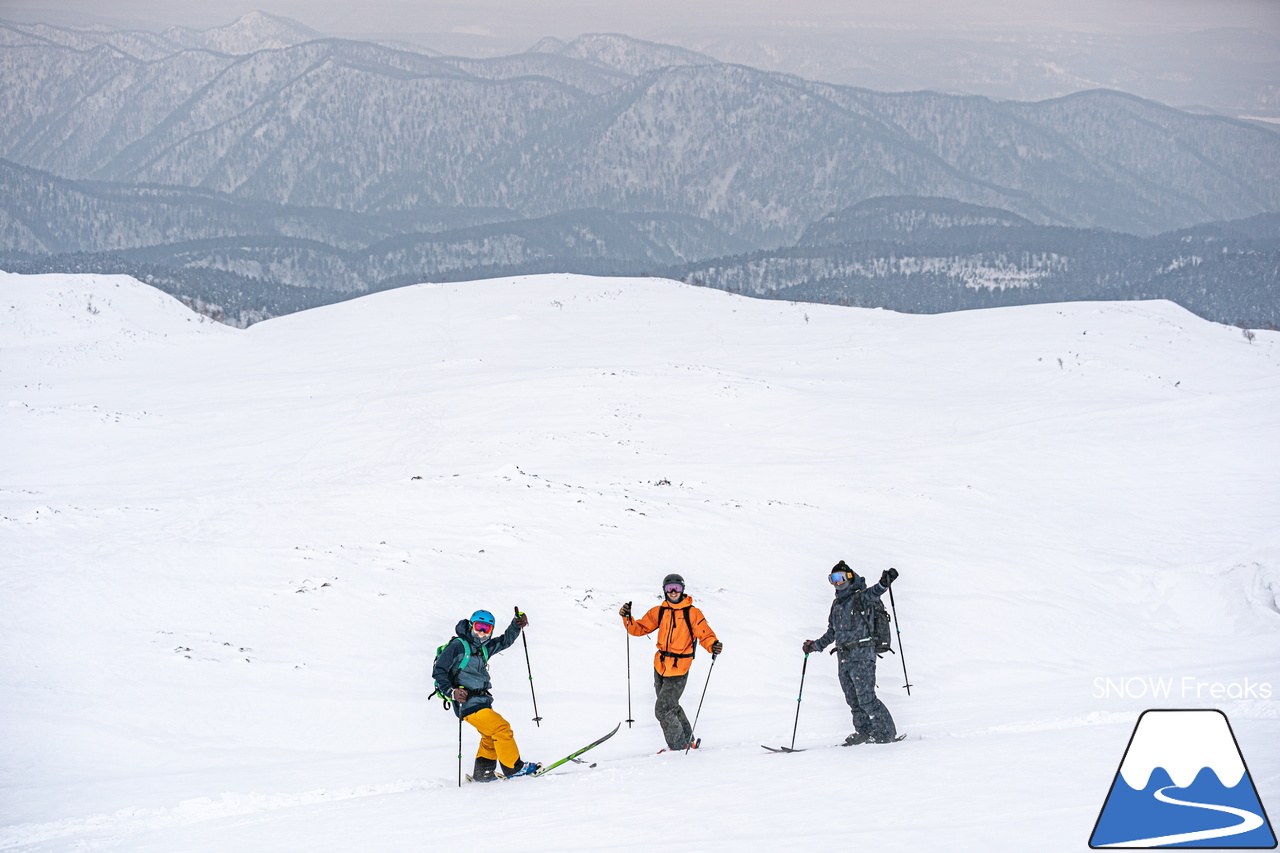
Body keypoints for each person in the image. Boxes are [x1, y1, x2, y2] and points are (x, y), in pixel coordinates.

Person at [432, 608, 541, 781]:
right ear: (471, 625)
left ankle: (484, 774)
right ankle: (514, 768)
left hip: (482, 700)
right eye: (479, 626)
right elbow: (439, 671)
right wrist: (452, 692)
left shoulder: (483, 648)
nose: (482, 632)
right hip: (466, 702)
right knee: (501, 729)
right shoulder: (458, 645)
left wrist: (516, 624)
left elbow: (505, 641)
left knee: (490, 735)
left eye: (487, 629)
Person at [619, 573, 722, 751]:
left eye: (677, 588)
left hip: (679, 668)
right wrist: (627, 618)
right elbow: (639, 629)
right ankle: (688, 740)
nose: (673, 592)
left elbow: (704, 633)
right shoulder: (659, 611)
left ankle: (678, 746)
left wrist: (713, 645)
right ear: (664, 591)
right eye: (669, 588)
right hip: (660, 666)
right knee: (670, 706)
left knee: (662, 709)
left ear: (682, 590)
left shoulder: (692, 612)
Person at [802, 561, 900, 745]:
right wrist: (815, 646)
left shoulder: (861, 597)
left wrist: (884, 582)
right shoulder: (837, 605)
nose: (837, 583)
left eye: (840, 578)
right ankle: (864, 732)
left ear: (850, 577)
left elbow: (876, 591)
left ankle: (886, 733)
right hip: (844, 658)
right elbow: (832, 632)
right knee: (853, 701)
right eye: (833, 579)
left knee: (866, 698)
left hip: (862, 656)